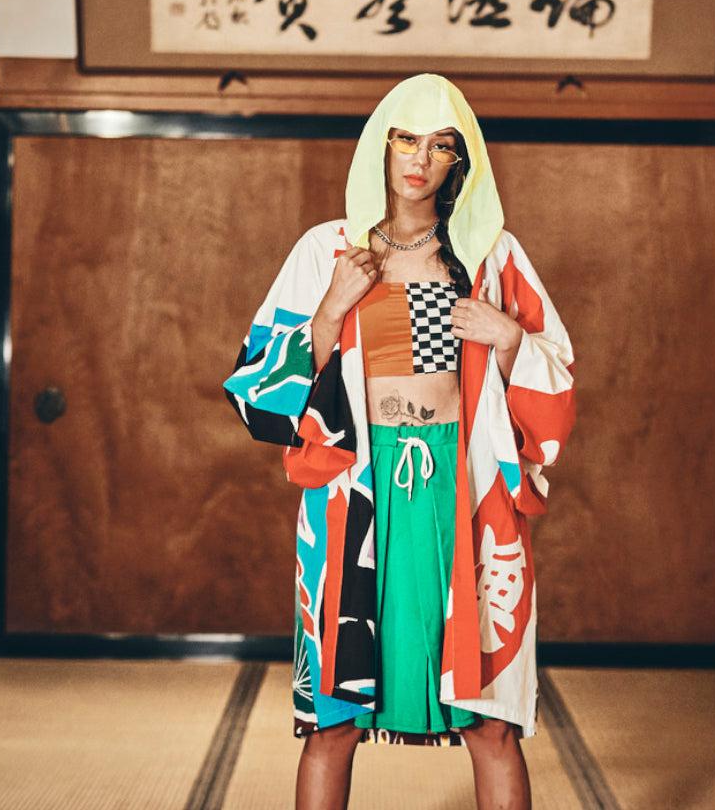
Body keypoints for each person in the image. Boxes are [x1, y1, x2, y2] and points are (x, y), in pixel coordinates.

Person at [223, 73, 576, 810]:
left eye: (441, 145)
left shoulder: (491, 254)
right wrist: (329, 312)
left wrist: (509, 338)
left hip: (465, 490)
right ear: (378, 146)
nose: (420, 159)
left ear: (461, 162)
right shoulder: (327, 250)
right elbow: (254, 390)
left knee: (490, 721)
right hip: (356, 490)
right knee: (332, 720)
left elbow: (557, 375)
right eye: (406, 139)